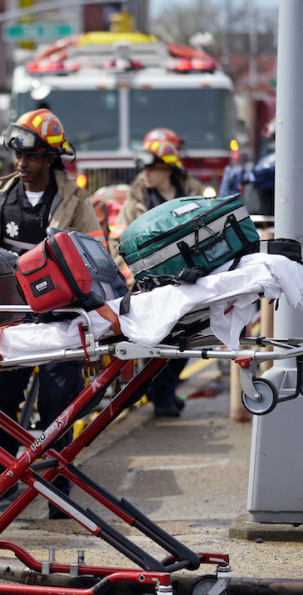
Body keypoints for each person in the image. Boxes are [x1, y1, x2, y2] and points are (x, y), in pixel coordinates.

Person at [0, 109, 99, 518]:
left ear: (49, 158)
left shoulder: (75, 201)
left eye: (30, 157)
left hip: (60, 318)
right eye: (17, 156)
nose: (21, 165)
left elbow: (95, 256)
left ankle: (57, 490)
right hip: (10, 318)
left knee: (58, 404)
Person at [114, 132, 203, 418]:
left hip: (192, 279)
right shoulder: (136, 202)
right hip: (150, 284)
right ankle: (161, 396)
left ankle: (159, 390)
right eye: (144, 168)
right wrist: (134, 278)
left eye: (151, 168)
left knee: (190, 340)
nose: (146, 174)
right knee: (163, 341)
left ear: (168, 168)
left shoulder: (193, 194)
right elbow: (119, 244)